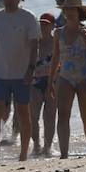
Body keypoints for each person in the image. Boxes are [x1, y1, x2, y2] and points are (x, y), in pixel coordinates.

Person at [0, 0, 39, 163]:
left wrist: (31, 69)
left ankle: (23, 153)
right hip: (0, 73)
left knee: (23, 112)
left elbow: (34, 45)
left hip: (22, 74)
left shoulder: (28, 17)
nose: (8, 0)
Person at [49, 0, 86, 158]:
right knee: (63, 115)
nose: (69, 12)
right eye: (66, 9)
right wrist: (50, 81)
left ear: (79, 11)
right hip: (65, 77)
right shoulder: (58, 32)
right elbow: (55, 58)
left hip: (85, 76)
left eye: (72, 9)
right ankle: (64, 154)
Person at [30, 14, 57, 155]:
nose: (44, 27)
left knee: (50, 115)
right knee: (33, 115)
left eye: (47, 24)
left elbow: (61, 63)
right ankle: (36, 145)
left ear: (53, 25)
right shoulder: (34, 42)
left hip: (52, 80)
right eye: (41, 24)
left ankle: (47, 146)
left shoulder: (56, 42)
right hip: (35, 81)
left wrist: (53, 82)